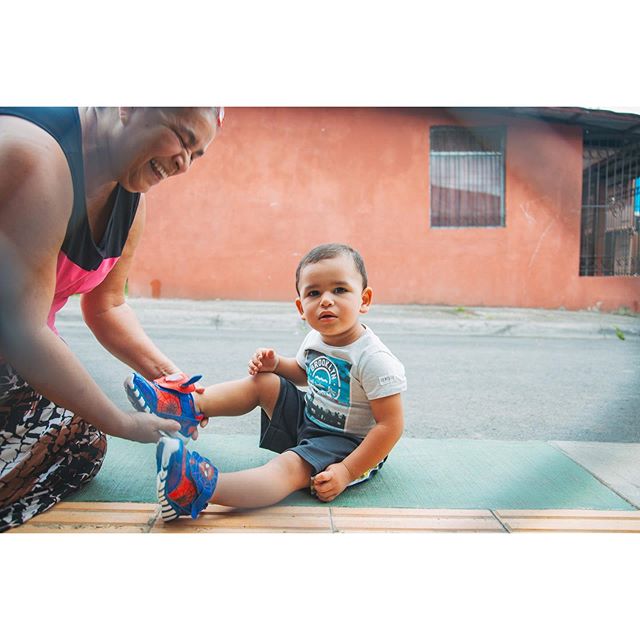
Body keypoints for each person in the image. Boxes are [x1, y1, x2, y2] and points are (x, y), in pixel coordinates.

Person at [0, 106, 223, 532]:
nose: (183, 165)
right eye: (181, 137)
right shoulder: (36, 156)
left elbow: (107, 307)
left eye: (196, 155)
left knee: (80, 442)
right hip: (16, 347)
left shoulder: (131, 199)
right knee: (85, 426)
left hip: (14, 363)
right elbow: (21, 332)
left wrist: (173, 381)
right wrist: (120, 421)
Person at [126, 243, 407, 521]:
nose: (326, 300)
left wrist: (346, 471)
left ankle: (195, 489)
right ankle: (187, 406)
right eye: (313, 293)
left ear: (365, 299)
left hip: (346, 445)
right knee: (265, 382)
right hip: (309, 420)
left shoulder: (374, 358)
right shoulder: (316, 338)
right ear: (301, 306)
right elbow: (303, 373)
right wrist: (276, 365)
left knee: (287, 468)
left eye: (340, 290)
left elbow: (390, 425)